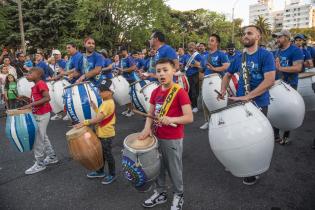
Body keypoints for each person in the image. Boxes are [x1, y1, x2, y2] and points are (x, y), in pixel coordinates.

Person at [219, 25, 276, 185]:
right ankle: (239, 163)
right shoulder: (238, 57)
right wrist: (223, 90)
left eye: (249, 33)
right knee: (240, 135)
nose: (245, 35)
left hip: (259, 103)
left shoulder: (266, 55)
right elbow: (227, 75)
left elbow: (269, 80)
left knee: (255, 138)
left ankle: (253, 170)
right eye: (244, 33)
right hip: (240, 103)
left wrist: (248, 96)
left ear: (258, 36)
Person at [139, 58, 193, 210]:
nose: (162, 74)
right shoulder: (155, 91)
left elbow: (189, 117)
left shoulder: (179, 92)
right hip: (156, 137)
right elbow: (150, 114)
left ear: (174, 71)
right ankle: (160, 192)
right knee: (158, 167)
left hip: (172, 138)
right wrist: (146, 129)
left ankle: (179, 194)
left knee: (174, 168)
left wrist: (172, 119)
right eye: (158, 71)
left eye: (165, 70)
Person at [75, 79, 117, 184]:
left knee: (107, 155)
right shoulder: (107, 102)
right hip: (102, 132)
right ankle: (100, 171)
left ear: (110, 92)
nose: (99, 92)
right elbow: (101, 115)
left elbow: (98, 119)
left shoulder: (107, 103)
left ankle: (112, 174)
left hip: (106, 134)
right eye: (99, 90)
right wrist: (95, 108)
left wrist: (84, 122)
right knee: (101, 153)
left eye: (102, 90)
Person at [20, 67, 58, 175]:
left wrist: (30, 104)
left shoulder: (41, 83)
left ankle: (40, 163)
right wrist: (25, 99)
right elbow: (36, 99)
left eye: (30, 73)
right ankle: (52, 157)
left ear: (38, 75)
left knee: (39, 138)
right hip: (39, 113)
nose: (27, 75)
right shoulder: (36, 85)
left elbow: (47, 98)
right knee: (43, 136)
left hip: (42, 114)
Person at [272, 30, 304, 145]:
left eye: (279, 37)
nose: (277, 40)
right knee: (275, 109)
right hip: (277, 86)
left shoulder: (295, 50)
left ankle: (286, 136)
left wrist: (281, 68)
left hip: (290, 85)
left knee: (288, 111)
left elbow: (298, 68)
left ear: (286, 37)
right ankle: (275, 135)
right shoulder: (277, 52)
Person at [199, 34, 230, 130]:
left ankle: (221, 120)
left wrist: (214, 68)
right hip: (206, 81)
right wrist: (200, 72)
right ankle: (207, 121)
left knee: (219, 101)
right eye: (209, 40)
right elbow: (201, 70)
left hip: (218, 80)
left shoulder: (221, 54)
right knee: (205, 102)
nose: (209, 42)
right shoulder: (205, 56)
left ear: (217, 43)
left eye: (212, 40)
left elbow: (226, 66)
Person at [182, 42, 202, 113]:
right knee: (189, 91)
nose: (190, 47)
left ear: (194, 47)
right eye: (189, 46)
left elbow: (201, 65)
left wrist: (194, 65)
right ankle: (192, 105)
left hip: (195, 74)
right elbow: (183, 65)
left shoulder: (197, 55)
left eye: (192, 46)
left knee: (194, 91)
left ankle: (195, 106)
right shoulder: (185, 56)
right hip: (187, 75)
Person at [118, 47, 137, 117]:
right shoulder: (121, 60)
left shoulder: (129, 58)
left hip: (130, 79)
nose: (121, 53)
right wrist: (119, 72)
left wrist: (123, 70)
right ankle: (128, 109)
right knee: (125, 95)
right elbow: (121, 69)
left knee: (129, 96)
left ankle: (132, 110)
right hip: (124, 79)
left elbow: (133, 67)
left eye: (122, 51)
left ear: (125, 51)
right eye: (120, 52)